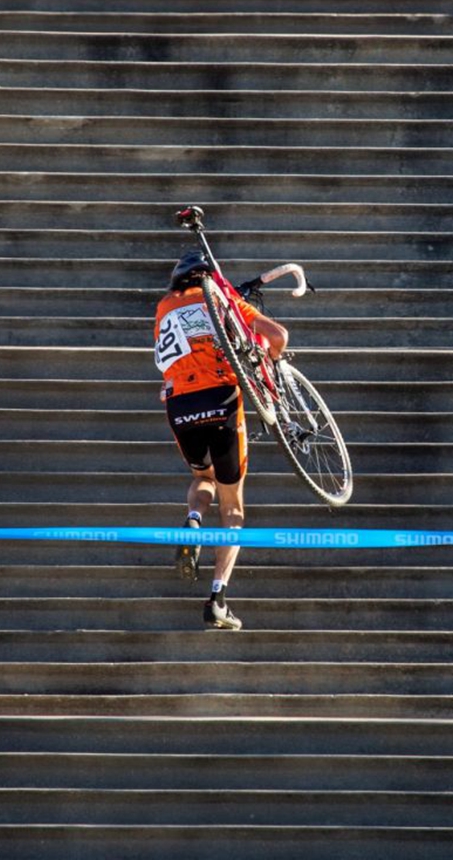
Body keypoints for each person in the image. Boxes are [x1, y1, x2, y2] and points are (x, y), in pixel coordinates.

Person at [154, 248, 288, 630]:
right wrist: (271, 360)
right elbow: (278, 335)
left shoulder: (164, 307)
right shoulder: (224, 299)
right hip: (222, 399)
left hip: (179, 404)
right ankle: (217, 598)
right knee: (233, 508)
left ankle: (194, 519)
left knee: (202, 478)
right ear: (211, 277)